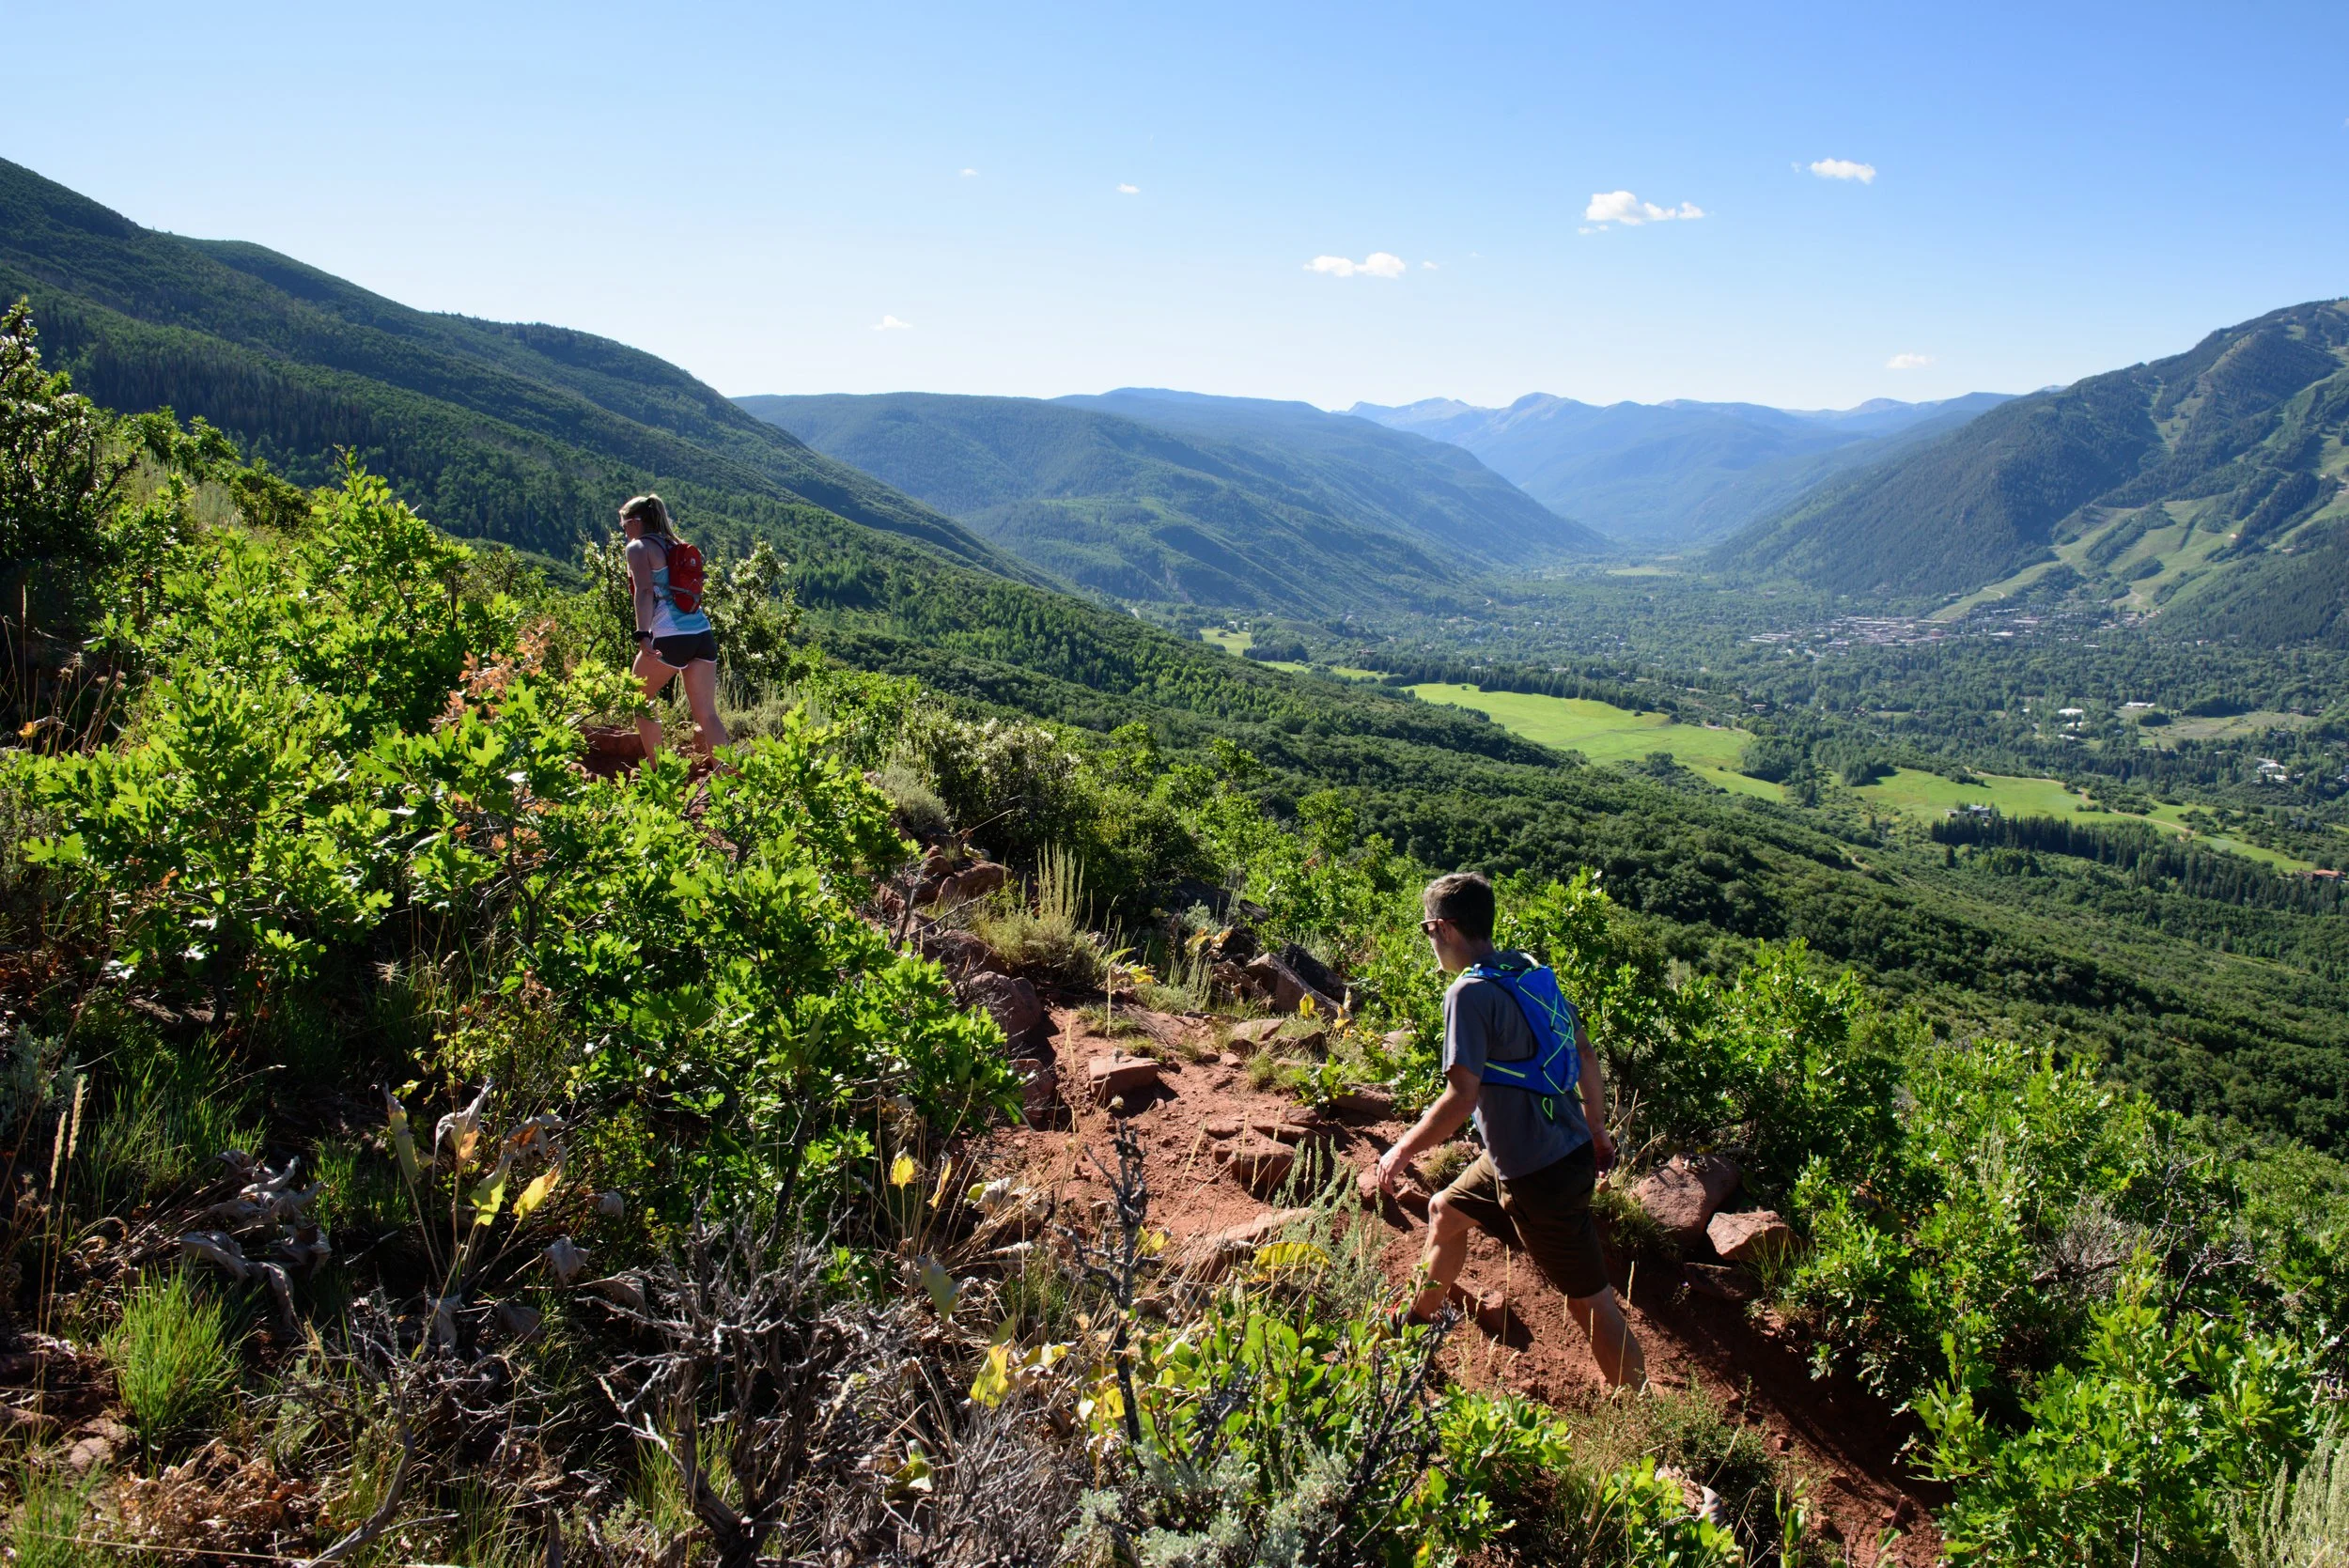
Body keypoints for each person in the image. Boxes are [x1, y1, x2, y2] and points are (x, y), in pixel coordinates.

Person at [1361, 871, 1646, 1390]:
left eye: (1428, 930)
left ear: (1444, 928)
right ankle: (1414, 1325)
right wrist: (1598, 1129)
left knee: (1591, 1302)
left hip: (1538, 1174)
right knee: (1446, 1210)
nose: (1430, 942)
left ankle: (1648, 1419)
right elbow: (1584, 1053)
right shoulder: (1529, 971)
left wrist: (1400, 1150)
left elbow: (1460, 1098)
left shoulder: (1467, 994)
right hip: (1543, 1149)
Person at [619, 494, 731, 764]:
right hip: (701, 634)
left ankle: (660, 773)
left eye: (624, 525)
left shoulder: (638, 548)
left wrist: (643, 635)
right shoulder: (675, 544)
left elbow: (645, 591)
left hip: (669, 635)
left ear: (636, 522)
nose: (623, 531)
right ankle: (728, 786)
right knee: (707, 714)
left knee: (639, 697)